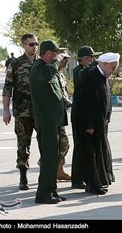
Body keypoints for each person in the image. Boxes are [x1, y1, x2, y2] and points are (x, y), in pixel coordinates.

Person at [71, 52, 119, 195]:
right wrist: (89, 125)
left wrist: (106, 117)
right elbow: (84, 104)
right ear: (104, 64)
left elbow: (105, 100)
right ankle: (92, 185)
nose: (114, 70)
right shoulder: (90, 77)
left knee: (97, 152)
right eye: (112, 67)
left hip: (98, 123)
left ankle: (98, 181)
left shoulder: (102, 76)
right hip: (86, 124)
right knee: (89, 154)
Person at [29, 40, 67, 204]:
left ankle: (51, 191)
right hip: (46, 122)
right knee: (49, 159)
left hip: (53, 121)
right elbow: (45, 76)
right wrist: (57, 62)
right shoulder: (38, 69)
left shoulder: (48, 70)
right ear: (49, 53)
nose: (57, 56)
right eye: (56, 53)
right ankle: (43, 194)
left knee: (53, 159)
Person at [2, 33, 38, 191]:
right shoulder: (15, 64)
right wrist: (6, 111)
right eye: (31, 44)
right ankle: (23, 176)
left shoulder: (42, 62)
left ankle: (48, 173)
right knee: (23, 144)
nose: (34, 47)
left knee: (48, 143)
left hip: (40, 111)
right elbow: (7, 88)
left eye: (36, 44)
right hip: (22, 111)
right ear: (23, 45)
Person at [70, 45, 101, 189]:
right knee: (80, 147)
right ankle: (77, 179)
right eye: (90, 57)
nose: (93, 59)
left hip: (83, 113)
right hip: (79, 114)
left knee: (83, 147)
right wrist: (95, 66)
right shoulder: (79, 71)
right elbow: (83, 77)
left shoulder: (85, 70)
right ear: (83, 59)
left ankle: (80, 177)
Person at [56, 52, 72, 181]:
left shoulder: (61, 75)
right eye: (64, 60)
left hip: (61, 114)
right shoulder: (52, 73)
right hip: (52, 116)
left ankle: (59, 170)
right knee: (62, 143)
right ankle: (50, 168)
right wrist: (73, 105)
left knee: (64, 144)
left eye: (67, 61)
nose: (65, 63)